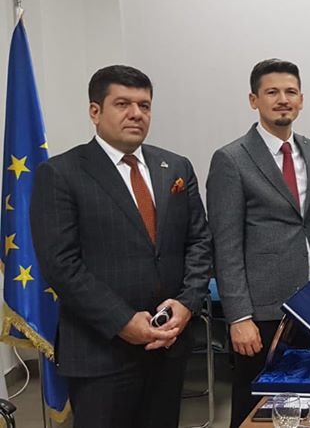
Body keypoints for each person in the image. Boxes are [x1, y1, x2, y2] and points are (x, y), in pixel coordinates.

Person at [30, 65, 213, 428]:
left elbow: (199, 242)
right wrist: (122, 321)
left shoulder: (175, 167)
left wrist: (187, 303)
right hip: (101, 352)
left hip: (168, 345)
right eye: (122, 104)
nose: (136, 113)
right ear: (95, 111)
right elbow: (60, 264)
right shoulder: (62, 173)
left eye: (144, 105)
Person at [206, 59, 310, 427]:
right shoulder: (231, 159)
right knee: (256, 407)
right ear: (253, 100)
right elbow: (225, 245)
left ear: (301, 100)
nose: (282, 99)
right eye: (272, 92)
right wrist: (238, 317)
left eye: (290, 92)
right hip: (261, 311)